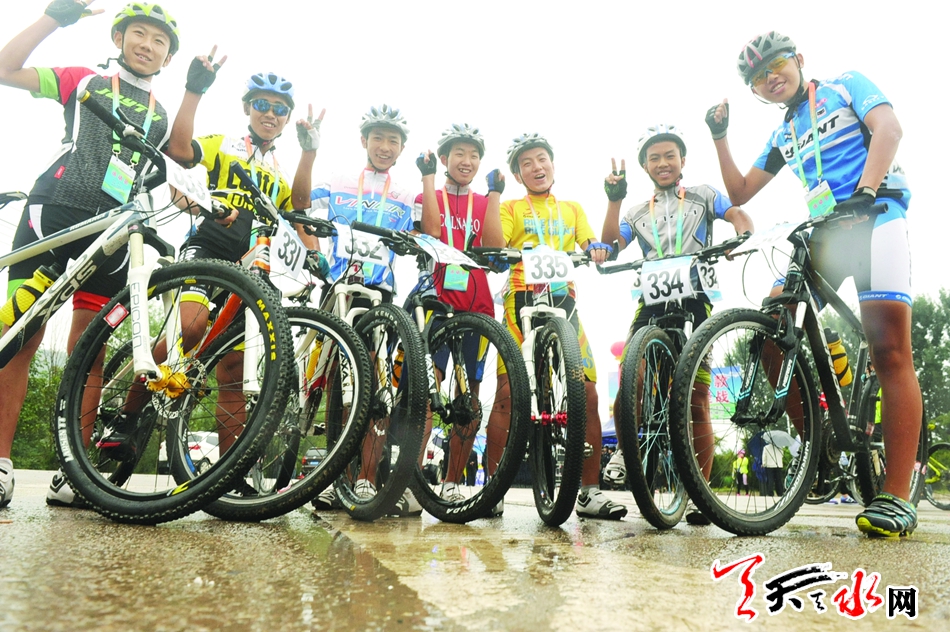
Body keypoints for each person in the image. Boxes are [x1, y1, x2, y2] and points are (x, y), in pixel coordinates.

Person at [706, 31, 920, 538]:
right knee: (772, 325)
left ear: (799, 60)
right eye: (757, 78)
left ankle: (895, 497)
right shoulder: (783, 132)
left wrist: (865, 189)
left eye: (776, 66)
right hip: (826, 230)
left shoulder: (845, 85)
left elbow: (889, 128)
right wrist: (719, 136)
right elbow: (740, 190)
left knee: (890, 350)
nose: (769, 78)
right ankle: (818, 442)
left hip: (874, 215)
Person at [98, 62, 322, 481]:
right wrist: (195, 90)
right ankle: (126, 418)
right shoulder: (225, 144)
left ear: (287, 118)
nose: (270, 114)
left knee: (233, 373)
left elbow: (300, 211)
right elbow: (180, 150)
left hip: (252, 268)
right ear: (247, 107)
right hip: (210, 249)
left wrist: (309, 154)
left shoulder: (279, 170)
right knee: (189, 329)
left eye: (279, 109)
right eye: (262, 104)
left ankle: (228, 476)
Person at [0, 1, 180, 509]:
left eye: (159, 41)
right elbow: (6, 68)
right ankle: (0, 462)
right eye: (139, 33)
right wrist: (54, 18)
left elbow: (172, 174)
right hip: (53, 215)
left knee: (91, 352)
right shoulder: (85, 80)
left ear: (168, 57)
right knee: (22, 336)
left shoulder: (163, 115)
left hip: (114, 234)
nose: (147, 45)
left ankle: (72, 470)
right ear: (118, 38)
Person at [600, 124, 753, 525]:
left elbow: (735, 212)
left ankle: (701, 492)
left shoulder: (703, 194)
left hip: (696, 300)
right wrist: (614, 201)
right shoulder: (637, 211)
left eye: (670, 155)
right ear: (645, 167)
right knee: (630, 381)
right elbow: (611, 245)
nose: (663, 162)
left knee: (696, 398)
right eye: (654, 158)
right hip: (651, 302)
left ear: (683, 160)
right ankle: (625, 452)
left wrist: (742, 232)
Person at [490, 133, 626, 520]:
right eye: (527, 163)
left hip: (565, 304)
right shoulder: (512, 207)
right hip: (521, 301)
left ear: (553, 164)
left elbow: (594, 246)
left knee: (588, 393)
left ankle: (589, 492)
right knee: (507, 394)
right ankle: (494, 489)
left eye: (542, 159)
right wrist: (494, 196)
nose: (537, 167)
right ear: (518, 175)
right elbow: (495, 247)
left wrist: (597, 246)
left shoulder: (572, 208)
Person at [309, 105, 422, 517]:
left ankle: (367, 478)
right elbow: (303, 209)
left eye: (393, 141)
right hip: (340, 290)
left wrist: (430, 177)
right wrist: (314, 255)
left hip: (380, 296)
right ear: (364, 141)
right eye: (378, 138)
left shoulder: (408, 195)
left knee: (377, 389)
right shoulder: (337, 181)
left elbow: (427, 233)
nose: (385, 146)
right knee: (339, 388)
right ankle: (331, 477)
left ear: (402, 148)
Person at [412, 124, 505, 505]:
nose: (467, 161)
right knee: (426, 392)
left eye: (474, 155)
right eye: (459, 154)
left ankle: (452, 482)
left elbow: (495, 248)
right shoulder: (428, 194)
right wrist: (428, 177)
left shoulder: (484, 202)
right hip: (436, 302)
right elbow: (432, 233)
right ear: (444, 158)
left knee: (468, 397)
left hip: (476, 305)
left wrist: (495, 195)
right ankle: (412, 482)